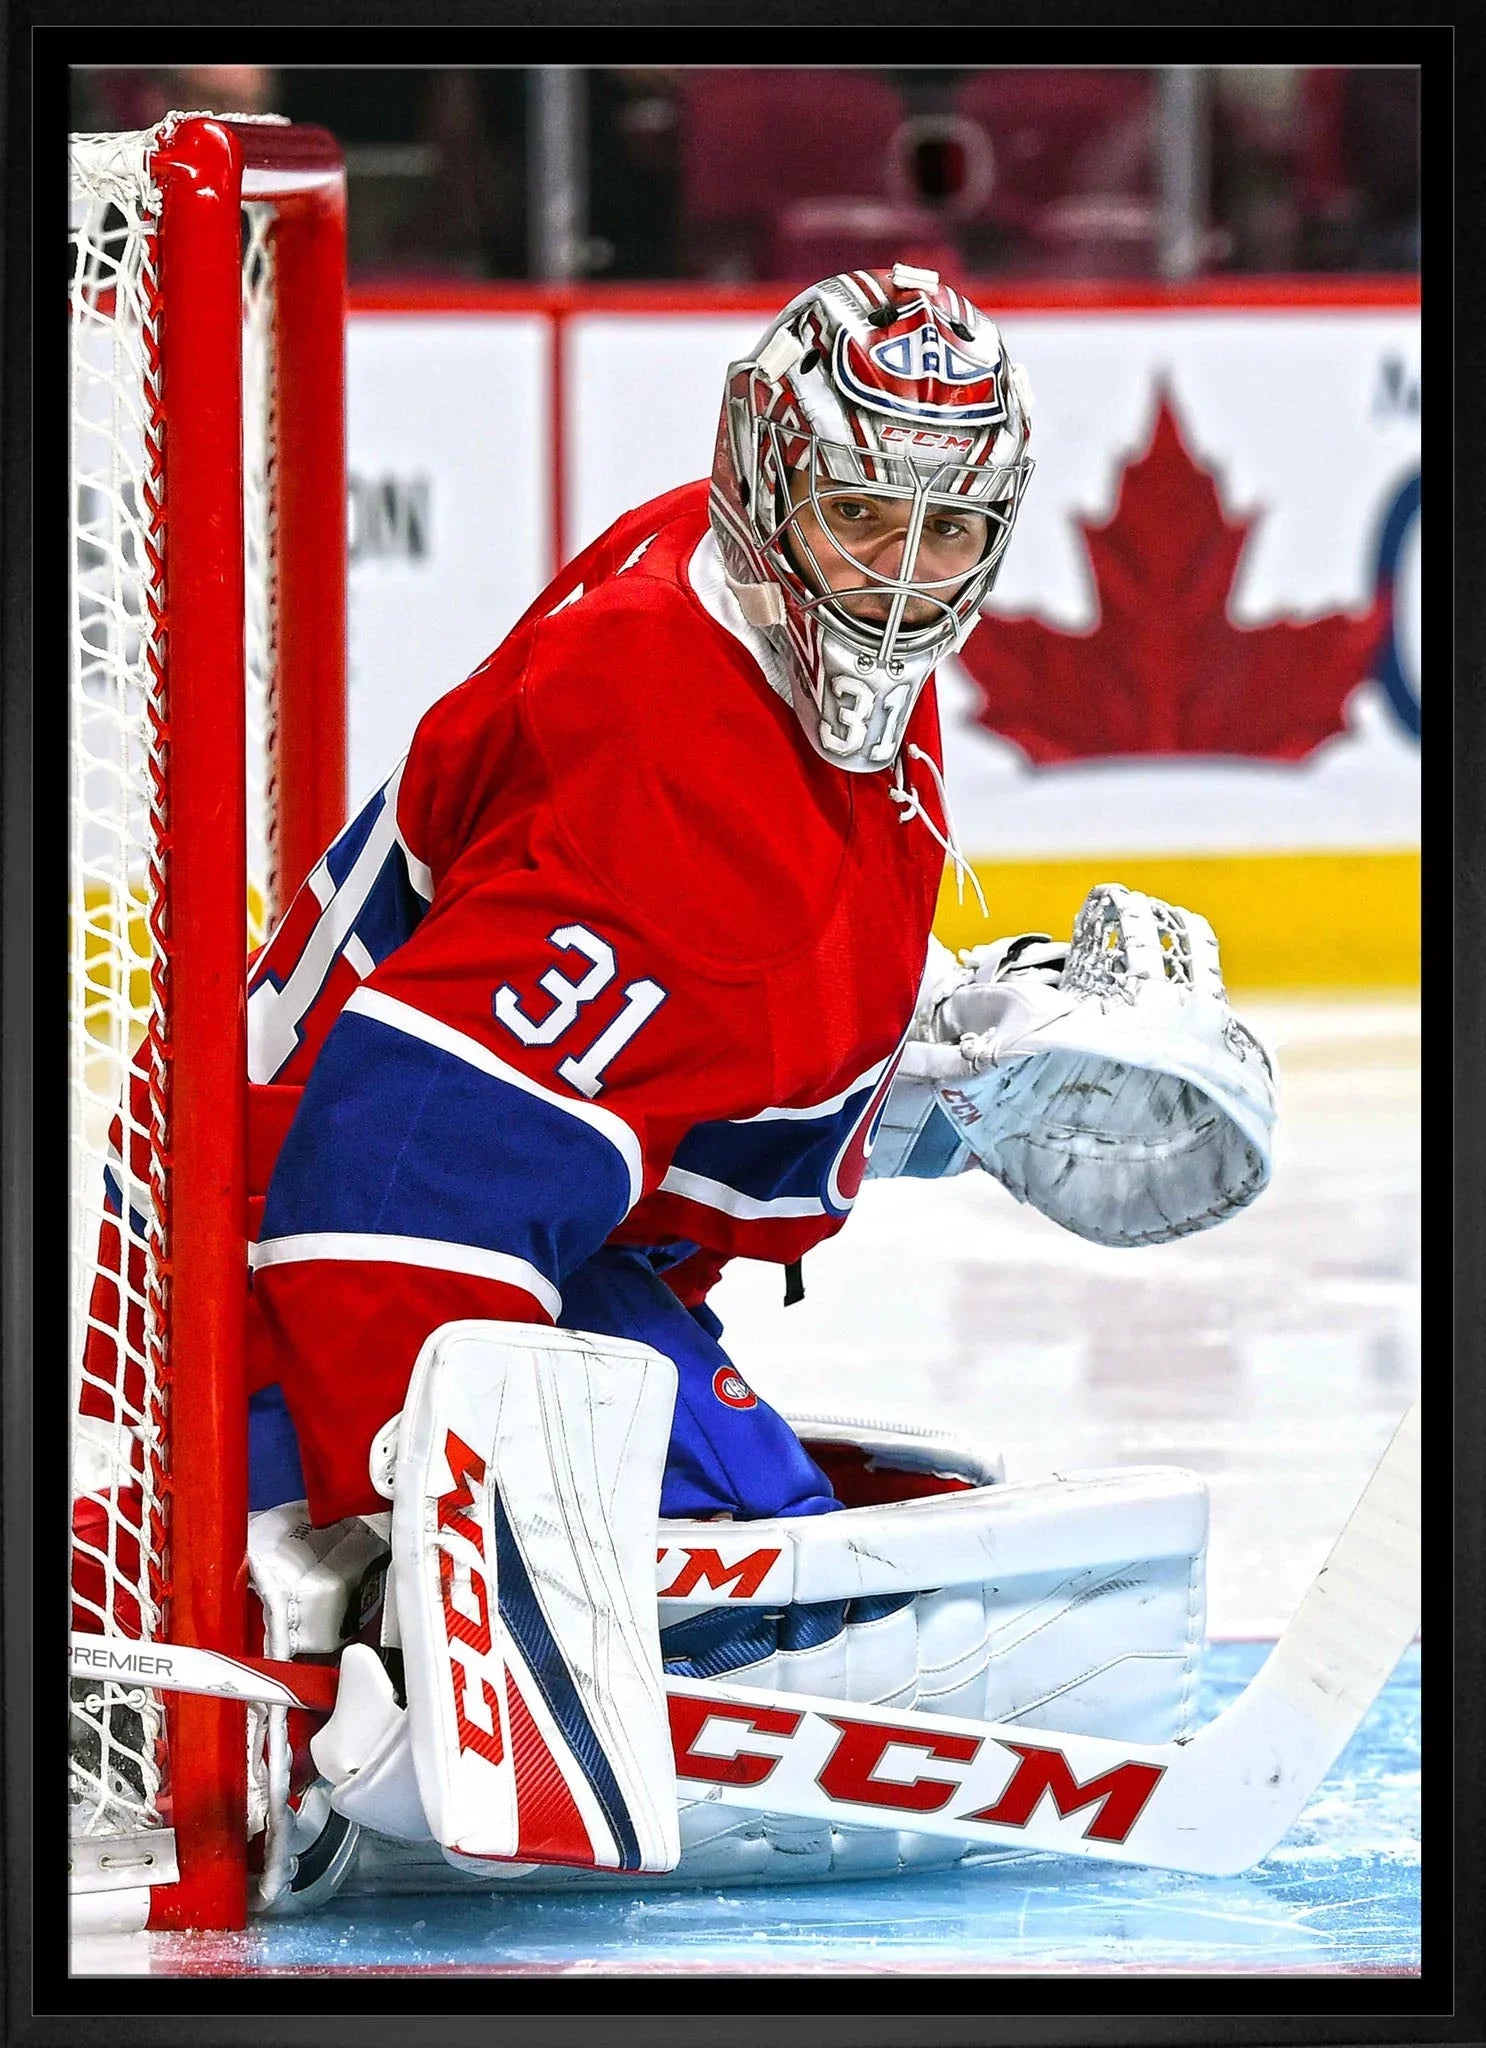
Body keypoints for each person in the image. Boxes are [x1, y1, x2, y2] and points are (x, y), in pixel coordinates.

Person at [218, 262, 1275, 1898]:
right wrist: (412, 1566)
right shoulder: (672, 775)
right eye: (865, 518)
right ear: (767, 470)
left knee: (783, 1530)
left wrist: (938, 1063)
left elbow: (665, 1047)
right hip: (275, 1314)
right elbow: (384, 1198)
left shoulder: (720, 583)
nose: (902, 588)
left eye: (947, 536)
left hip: (492, 1227)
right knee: (793, 1606)